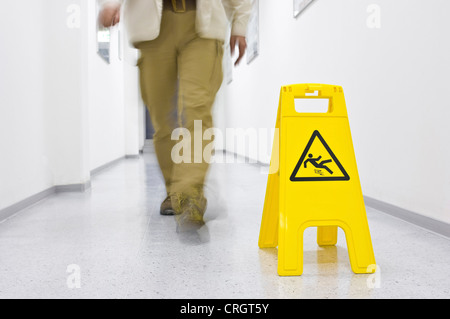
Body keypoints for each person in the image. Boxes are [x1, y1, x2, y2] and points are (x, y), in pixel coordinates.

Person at [98, 0, 252, 230]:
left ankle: (190, 194)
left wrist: (240, 26)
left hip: (204, 26)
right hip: (152, 26)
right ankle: (174, 191)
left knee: (197, 109)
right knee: (161, 118)